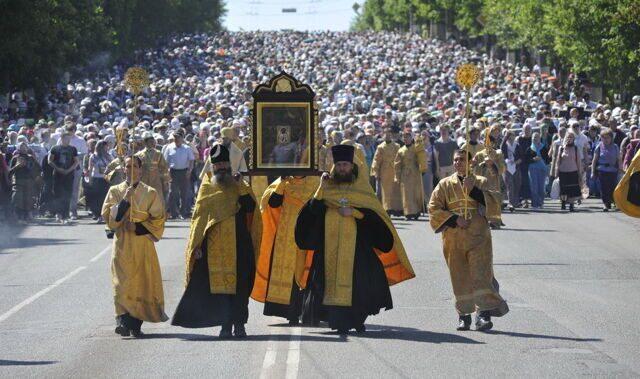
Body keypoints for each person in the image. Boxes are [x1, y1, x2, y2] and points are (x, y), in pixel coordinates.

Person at [294, 145, 415, 335]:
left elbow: (375, 218)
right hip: (329, 246)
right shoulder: (327, 187)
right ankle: (338, 321)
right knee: (327, 283)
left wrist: (355, 213)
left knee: (360, 285)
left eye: (345, 165)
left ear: (352, 166)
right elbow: (311, 212)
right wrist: (321, 188)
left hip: (357, 248)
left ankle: (357, 320)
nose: (342, 168)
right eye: (339, 165)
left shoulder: (362, 189)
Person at [172, 143, 261, 339]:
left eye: (224, 163)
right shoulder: (206, 187)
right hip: (213, 247)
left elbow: (249, 209)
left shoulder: (240, 185)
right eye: (217, 164)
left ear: (229, 164)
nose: (221, 167)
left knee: (240, 287)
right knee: (220, 290)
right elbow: (199, 220)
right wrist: (197, 246)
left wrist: (240, 186)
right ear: (212, 166)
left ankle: (239, 325)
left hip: (240, 244)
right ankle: (224, 326)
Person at [428, 149, 508, 331]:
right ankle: (464, 316)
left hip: (479, 238)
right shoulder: (444, 184)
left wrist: (474, 191)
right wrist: (455, 219)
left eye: (462, 160)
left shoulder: (480, 181)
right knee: (459, 277)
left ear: (470, 163)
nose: (458, 163)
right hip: (454, 239)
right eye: (456, 160)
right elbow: (433, 208)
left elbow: (495, 202)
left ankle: (483, 315)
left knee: (481, 276)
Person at [101, 156, 168, 338]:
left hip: (142, 245)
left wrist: (138, 226)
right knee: (121, 282)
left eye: (134, 167)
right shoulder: (115, 191)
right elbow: (109, 217)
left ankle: (136, 323)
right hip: (122, 244)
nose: (130, 170)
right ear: (123, 169)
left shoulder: (150, 192)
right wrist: (124, 201)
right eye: (127, 166)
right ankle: (122, 320)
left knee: (140, 283)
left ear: (140, 170)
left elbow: (158, 218)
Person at [251, 176, 319, 325]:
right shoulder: (284, 182)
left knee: (306, 271)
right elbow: (272, 204)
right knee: (287, 275)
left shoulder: (316, 182)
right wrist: (282, 183)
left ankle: (309, 311)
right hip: (285, 234)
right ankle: (291, 313)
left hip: (307, 233)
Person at [370, 128, 403, 216]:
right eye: (385, 134)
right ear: (383, 135)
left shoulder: (396, 146)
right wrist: (375, 171)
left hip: (394, 170)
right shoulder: (380, 147)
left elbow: (400, 158)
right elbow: (376, 160)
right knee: (385, 191)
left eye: (389, 134)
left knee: (395, 190)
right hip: (384, 171)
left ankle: (396, 209)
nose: (387, 135)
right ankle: (386, 208)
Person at [48, 131, 79, 224]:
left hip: (69, 175)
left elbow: (76, 161)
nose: (68, 141)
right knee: (58, 194)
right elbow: (50, 160)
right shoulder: (55, 148)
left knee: (67, 195)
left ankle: (65, 216)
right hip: (58, 175)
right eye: (66, 139)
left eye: (69, 139)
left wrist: (69, 170)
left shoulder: (73, 149)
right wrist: (58, 168)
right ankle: (58, 214)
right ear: (61, 139)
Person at [163, 131, 195, 219]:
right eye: (175, 137)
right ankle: (174, 213)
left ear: (182, 138)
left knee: (184, 194)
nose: (176, 139)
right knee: (172, 193)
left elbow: (192, 160)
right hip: (173, 172)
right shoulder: (169, 147)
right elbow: (166, 162)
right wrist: (167, 173)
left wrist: (189, 171)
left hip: (184, 172)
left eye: (178, 137)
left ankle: (183, 212)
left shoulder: (187, 148)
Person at [394, 131, 425, 220]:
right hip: (405, 175)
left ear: (411, 138)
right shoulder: (400, 150)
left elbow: (421, 156)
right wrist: (397, 176)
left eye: (407, 137)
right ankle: (408, 213)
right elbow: (397, 164)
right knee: (406, 194)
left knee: (416, 193)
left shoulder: (416, 148)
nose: (406, 139)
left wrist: (422, 167)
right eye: (404, 137)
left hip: (415, 173)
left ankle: (416, 212)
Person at [135, 131, 170, 204]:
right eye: (150, 142)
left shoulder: (158, 153)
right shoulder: (139, 154)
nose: (153, 143)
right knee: (144, 200)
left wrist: (166, 181)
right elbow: (136, 168)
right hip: (144, 181)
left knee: (157, 200)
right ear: (145, 143)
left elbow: (164, 168)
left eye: (153, 141)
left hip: (156, 180)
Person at [592, 128, 621, 211]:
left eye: (607, 137)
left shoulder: (615, 146)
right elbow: (594, 160)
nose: (606, 139)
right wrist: (593, 172)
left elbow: (619, 159)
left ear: (611, 138)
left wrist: (620, 169)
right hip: (602, 170)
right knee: (604, 188)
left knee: (613, 188)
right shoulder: (599, 146)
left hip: (613, 171)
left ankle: (614, 202)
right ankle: (605, 204)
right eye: (603, 137)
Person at [9, 142, 40, 222]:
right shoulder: (15, 158)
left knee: (28, 199)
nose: (24, 149)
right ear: (18, 148)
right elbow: (10, 171)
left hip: (29, 181)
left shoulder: (31, 157)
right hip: (18, 181)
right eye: (21, 147)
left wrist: (36, 176)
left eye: (25, 147)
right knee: (17, 198)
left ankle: (28, 214)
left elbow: (38, 168)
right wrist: (17, 166)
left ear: (27, 148)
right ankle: (19, 216)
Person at [554, 131, 582, 212]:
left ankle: (571, 205)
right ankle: (563, 203)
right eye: (568, 137)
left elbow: (579, 162)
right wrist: (556, 172)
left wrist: (580, 173)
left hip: (573, 171)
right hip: (563, 172)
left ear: (573, 139)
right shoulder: (561, 148)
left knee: (572, 189)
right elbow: (558, 161)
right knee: (563, 189)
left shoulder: (576, 148)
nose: (569, 139)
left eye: (571, 137)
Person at [87, 140, 111, 223]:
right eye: (104, 146)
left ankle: (104, 215)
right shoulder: (93, 156)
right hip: (97, 178)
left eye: (106, 146)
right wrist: (90, 180)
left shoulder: (108, 156)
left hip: (106, 179)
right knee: (97, 198)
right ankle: (98, 215)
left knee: (105, 198)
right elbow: (90, 169)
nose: (106, 148)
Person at [525, 132, 549, 209]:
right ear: (532, 138)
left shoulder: (543, 147)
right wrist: (533, 159)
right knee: (534, 187)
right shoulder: (529, 148)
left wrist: (542, 160)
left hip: (542, 169)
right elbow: (526, 160)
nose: (535, 139)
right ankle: (534, 204)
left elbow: (548, 159)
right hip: (532, 169)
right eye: (534, 137)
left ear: (539, 138)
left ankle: (541, 202)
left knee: (541, 187)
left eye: (537, 137)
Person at [501, 130, 521, 212]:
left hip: (516, 167)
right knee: (510, 186)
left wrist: (516, 162)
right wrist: (505, 137)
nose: (510, 138)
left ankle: (515, 202)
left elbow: (521, 157)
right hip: (507, 167)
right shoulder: (505, 145)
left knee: (517, 185)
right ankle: (510, 203)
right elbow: (501, 148)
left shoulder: (517, 145)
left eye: (512, 136)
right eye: (509, 136)